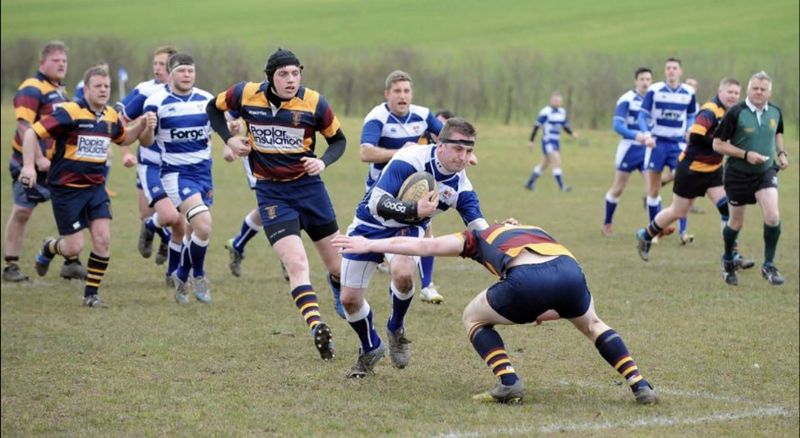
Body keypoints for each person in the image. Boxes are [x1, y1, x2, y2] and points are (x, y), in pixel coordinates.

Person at [331, 219, 659, 405]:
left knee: (473, 317)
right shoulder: (533, 228)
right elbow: (559, 269)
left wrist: (370, 245)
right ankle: (639, 383)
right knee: (593, 325)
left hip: (528, 280)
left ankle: (508, 382)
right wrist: (551, 306)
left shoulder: (473, 237)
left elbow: (425, 247)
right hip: (571, 272)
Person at [207, 47, 346, 361]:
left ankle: (336, 285)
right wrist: (228, 140)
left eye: (295, 73)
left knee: (338, 267)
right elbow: (211, 108)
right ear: (270, 77)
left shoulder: (314, 102)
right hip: (272, 195)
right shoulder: (244, 94)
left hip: (311, 191)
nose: (291, 79)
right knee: (296, 263)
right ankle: (316, 326)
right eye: (283, 74)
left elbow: (338, 140)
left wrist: (323, 162)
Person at [338, 117, 489, 377]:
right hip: (368, 224)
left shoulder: (460, 186)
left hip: (407, 230)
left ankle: (395, 327)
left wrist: (505, 234)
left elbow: (480, 229)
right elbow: (376, 202)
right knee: (349, 300)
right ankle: (370, 346)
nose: (463, 157)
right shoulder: (410, 159)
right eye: (458, 149)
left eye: (469, 151)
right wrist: (414, 208)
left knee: (404, 273)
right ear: (440, 145)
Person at [19, 66, 144, 307]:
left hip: (95, 188)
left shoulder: (110, 116)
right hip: (66, 190)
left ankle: (91, 295)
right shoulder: (69, 112)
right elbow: (32, 134)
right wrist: (28, 167)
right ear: (86, 89)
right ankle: (50, 247)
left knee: (103, 239)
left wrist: (141, 125)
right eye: (98, 86)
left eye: (106, 86)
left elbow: (124, 138)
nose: (104, 90)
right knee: (73, 246)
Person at [636, 78, 755, 270]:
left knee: (727, 208)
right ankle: (646, 235)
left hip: (714, 171)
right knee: (678, 211)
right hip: (691, 170)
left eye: (736, 93)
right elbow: (696, 135)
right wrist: (721, 145)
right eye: (729, 92)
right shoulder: (709, 110)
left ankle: (732, 254)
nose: (733, 96)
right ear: (720, 91)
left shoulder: (734, 112)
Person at [2, 40, 88, 283]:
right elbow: (24, 125)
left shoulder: (60, 90)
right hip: (29, 162)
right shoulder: (32, 87)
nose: (61, 64)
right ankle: (10, 265)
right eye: (56, 60)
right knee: (22, 212)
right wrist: (37, 159)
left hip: (57, 165)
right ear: (42, 63)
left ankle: (71, 262)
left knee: (72, 209)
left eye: (64, 61)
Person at [360, 70, 445, 304]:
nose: (402, 96)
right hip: (381, 190)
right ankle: (379, 260)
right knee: (381, 235)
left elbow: (445, 138)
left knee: (426, 228)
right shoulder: (377, 117)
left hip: (413, 187)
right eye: (397, 91)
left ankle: (427, 285)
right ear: (387, 94)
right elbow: (365, 152)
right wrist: (402, 153)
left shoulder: (422, 114)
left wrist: (464, 152)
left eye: (406, 91)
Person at [140, 53, 216, 304]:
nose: (187, 75)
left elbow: (218, 130)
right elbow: (147, 142)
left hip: (204, 172)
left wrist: (234, 132)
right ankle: (199, 275)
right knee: (204, 224)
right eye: (182, 70)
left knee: (194, 231)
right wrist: (148, 127)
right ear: (171, 73)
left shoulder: (206, 100)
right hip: (176, 175)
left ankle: (182, 274)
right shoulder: (156, 101)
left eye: (190, 71)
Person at [713, 71, 789, 286]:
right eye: (755, 88)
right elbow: (717, 144)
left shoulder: (775, 111)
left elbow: (778, 132)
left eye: (763, 89)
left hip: (765, 172)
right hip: (737, 174)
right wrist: (746, 155)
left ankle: (769, 266)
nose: (758, 92)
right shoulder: (736, 112)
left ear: (769, 92)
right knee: (736, 222)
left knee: (773, 216)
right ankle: (728, 260)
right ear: (748, 89)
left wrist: (782, 153)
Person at [117, 46, 179, 282]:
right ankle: (160, 234)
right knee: (147, 213)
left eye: (162, 64)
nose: (157, 69)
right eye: (155, 64)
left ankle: (173, 270)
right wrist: (125, 153)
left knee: (174, 219)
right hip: (150, 163)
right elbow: (120, 120)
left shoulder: (185, 93)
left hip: (177, 167)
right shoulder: (145, 91)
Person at [637, 58, 698, 240]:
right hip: (656, 144)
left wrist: (690, 129)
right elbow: (642, 115)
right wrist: (646, 134)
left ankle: (683, 232)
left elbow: (692, 115)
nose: (671, 71)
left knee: (683, 186)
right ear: (665, 72)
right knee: (654, 189)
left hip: (677, 144)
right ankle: (653, 232)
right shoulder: (654, 90)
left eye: (675, 68)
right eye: (668, 68)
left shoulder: (688, 92)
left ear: (680, 71)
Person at [602, 67, 652, 237]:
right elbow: (617, 125)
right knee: (618, 188)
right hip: (629, 148)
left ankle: (655, 229)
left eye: (648, 79)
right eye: (642, 79)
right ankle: (607, 223)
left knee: (652, 188)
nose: (645, 82)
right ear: (636, 81)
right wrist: (635, 135)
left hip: (647, 149)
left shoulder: (654, 99)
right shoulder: (627, 99)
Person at [75, 61, 117, 198]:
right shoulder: (82, 85)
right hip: (85, 127)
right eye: (102, 69)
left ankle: (102, 185)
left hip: (102, 124)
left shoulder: (105, 87)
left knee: (108, 154)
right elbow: (77, 103)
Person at [524, 91, 578, 192]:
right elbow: (537, 126)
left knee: (544, 164)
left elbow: (564, 126)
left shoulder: (562, 112)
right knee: (556, 160)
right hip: (548, 141)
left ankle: (530, 182)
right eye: (555, 100)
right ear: (551, 100)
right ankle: (562, 186)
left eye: (559, 100)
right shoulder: (546, 112)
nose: (557, 102)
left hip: (556, 141)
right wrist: (531, 141)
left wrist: (572, 133)